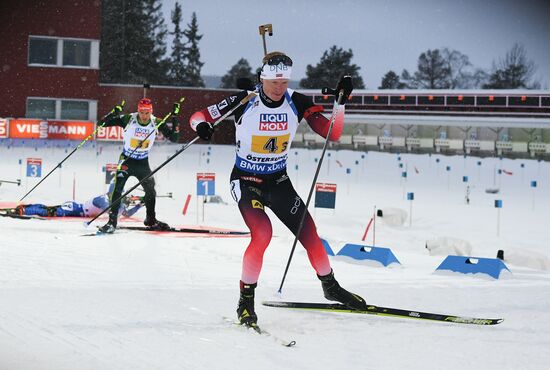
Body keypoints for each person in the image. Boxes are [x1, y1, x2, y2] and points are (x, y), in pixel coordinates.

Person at [188, 51, 367, 328]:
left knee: (309, 231)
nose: (279, 89)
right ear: (262, 79)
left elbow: (332, 133)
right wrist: (201, 125)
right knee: (262, 234)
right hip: (247, 180)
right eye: (274, 83)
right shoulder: (245, 100)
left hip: (278, 181)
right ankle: (245, 303)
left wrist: (340, 103)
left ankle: (330, 286)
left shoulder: (296, 101)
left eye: (284, 82)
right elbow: (199, 115)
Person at [98, 98, 181, 233]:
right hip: (126, 160)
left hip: (142, 163)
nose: (144, 116)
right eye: (142, 112)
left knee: (150, 190)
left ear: (151, 112)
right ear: (138, 111)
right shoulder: (128, 119)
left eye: (147, 112)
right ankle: (111, 222)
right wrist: (113, 113)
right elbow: (101, 124)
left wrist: (175, 117)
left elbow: (174, 138)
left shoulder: (156, 122)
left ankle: (151, 220)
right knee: (117, 189)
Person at [10, 190, 143, 218]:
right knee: (50, 212)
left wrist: (139, 205)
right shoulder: (103, 199)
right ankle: (25, 210)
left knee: (50, 209)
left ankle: (26, 208)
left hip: (76, 210)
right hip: (75, 209)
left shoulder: (110, 201)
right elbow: (110, 211)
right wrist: (123, 204)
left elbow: (126, 214)